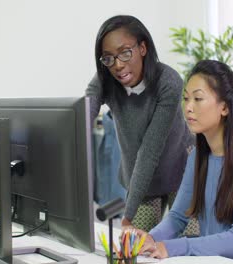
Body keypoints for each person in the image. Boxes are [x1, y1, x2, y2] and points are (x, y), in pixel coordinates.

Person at [136, 60, 233, 262]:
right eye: (186, 99)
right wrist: (150, 238)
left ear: (225, 108)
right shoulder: (197, 155)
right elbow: (177, 217)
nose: (188, 107)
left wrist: (173, 246)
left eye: (198, 98)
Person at [86, 15, 194, 231]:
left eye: (125, 53)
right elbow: (82, 118)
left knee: (187, 243)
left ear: (143, 48)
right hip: (142, 182)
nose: (117, 65)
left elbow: (150, 150)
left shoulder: (168, 82)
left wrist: (127, 215)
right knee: (136, 245)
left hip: (181, 173)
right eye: (108, 58)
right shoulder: (105, 80)